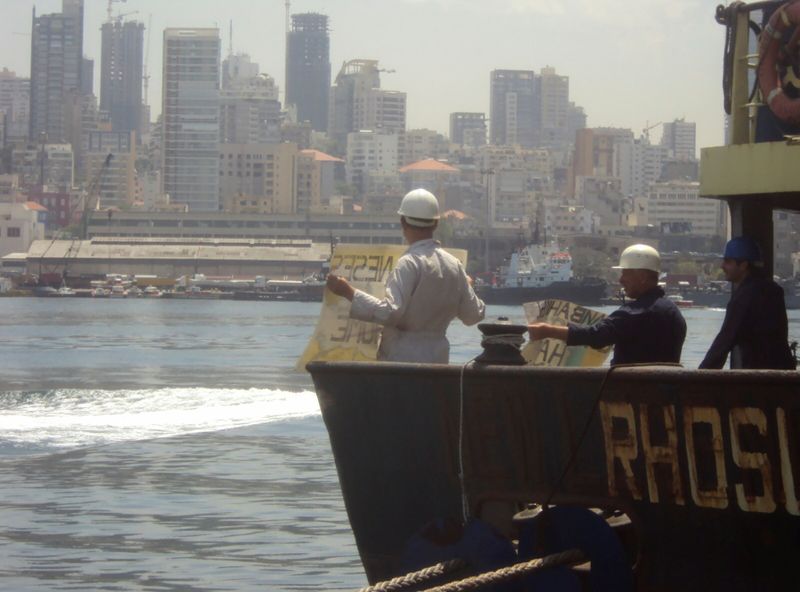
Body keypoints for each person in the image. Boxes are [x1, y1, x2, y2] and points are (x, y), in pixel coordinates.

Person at [326, 188, 486, 364]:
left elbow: (390, 313)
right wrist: (467, 286)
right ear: (436, 224)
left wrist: (348, 292)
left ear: (403, 222)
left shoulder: (409, 263)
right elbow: (474, 315)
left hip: (401, 362)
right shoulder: (454, 265)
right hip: (438, 364)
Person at [527, 244, 687, 366]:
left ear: (643, 277)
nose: (621, 280)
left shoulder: (634, 313)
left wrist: (547, 331)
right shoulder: (673, 312)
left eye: (625, 273)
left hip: (631, 395)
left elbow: (597, 336)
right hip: (666, 397)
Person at [699, 236, 796, 369]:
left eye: (728, 261)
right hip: (784, 378)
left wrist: (700, 378)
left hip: (758, 379)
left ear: (743, 265)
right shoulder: (774, 290)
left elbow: (723, 344)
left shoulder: (743, 298)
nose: (722, 266)